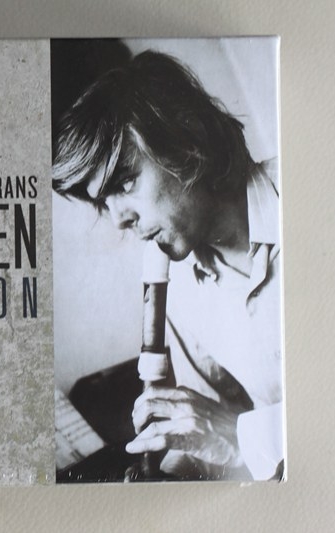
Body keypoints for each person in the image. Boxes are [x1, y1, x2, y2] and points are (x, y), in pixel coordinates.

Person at [53, 49, 284, 481]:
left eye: (125, 182)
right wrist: (168, 473)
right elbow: (211, 435)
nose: (119, 219)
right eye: (104, 201)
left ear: (187, 142)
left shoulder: (314, 194)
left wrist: (239, 434)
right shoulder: (178, 287)